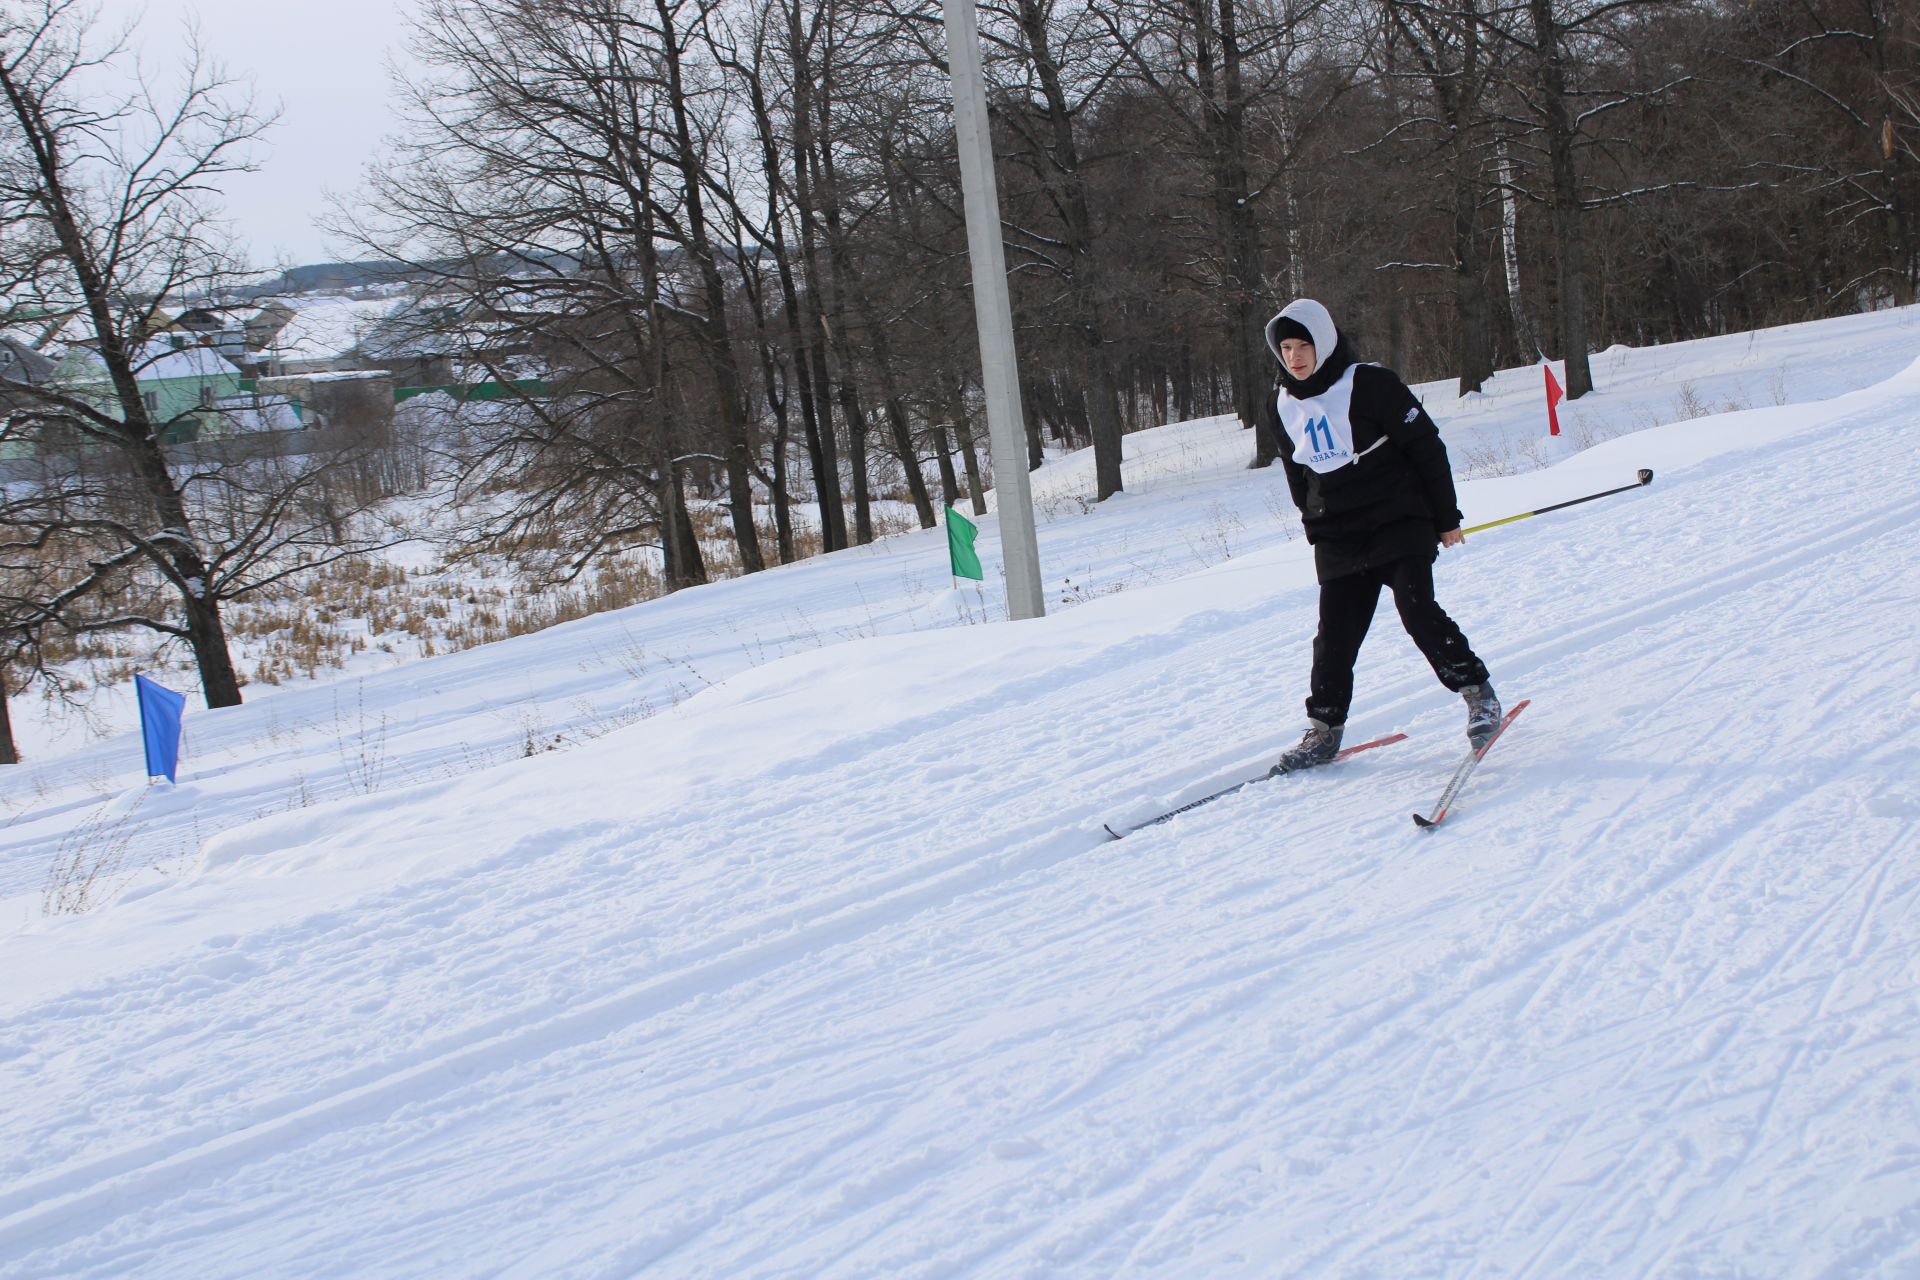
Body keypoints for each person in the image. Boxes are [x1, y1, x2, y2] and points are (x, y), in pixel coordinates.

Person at [1260, 298, 1500, 772]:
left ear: (1324, 342)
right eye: (1285, 348)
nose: (1294, 357)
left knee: (1417, 609)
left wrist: (1446, 517)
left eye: (1303, 345)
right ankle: (1324, 730)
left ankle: (1478, 693)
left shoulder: (1371, 384)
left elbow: (1427, 448)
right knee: (1335, 635)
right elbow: (1295, 471)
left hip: (1398, 517)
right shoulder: (1280, 402)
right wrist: (1314, 525)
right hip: (1338, 533)